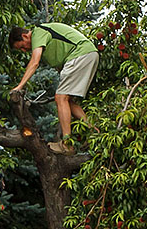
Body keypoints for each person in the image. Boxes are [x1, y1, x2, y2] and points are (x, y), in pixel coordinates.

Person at [9, 23, 99, 154]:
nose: (24, 51)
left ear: (25, 36)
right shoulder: (43, 38)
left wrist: (19, 87)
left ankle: (67, 144)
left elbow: (34, 62)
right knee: (67, 100)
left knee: (60, 98)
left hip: (81, 54)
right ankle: (94, 133)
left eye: (22, 46)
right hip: (87, 54)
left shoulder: (38, 32)